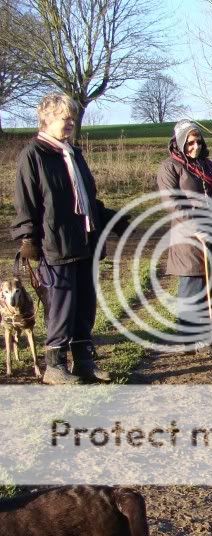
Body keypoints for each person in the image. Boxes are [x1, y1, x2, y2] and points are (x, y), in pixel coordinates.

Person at [11, 93, 127, 384]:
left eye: (73, 118)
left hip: (84, 241)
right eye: (66, 118)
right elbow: (26, 202)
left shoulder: (73, 154)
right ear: (47, 118)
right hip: (55, 244)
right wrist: (28, 238)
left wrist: (111, 218)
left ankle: (84, 362)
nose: (71, 123)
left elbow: (87, 198)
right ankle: (55, 366)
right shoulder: (33, 155)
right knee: (61, 305)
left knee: (85, 304)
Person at [156, 119, 212, 355]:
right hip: (188, 237)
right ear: (179, 143)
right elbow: (173, 203)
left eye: (198, 141)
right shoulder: (170, 167)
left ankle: (211, 334)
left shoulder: (208, 165)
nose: (195, 146)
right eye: (190, 142)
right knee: (193, 286)